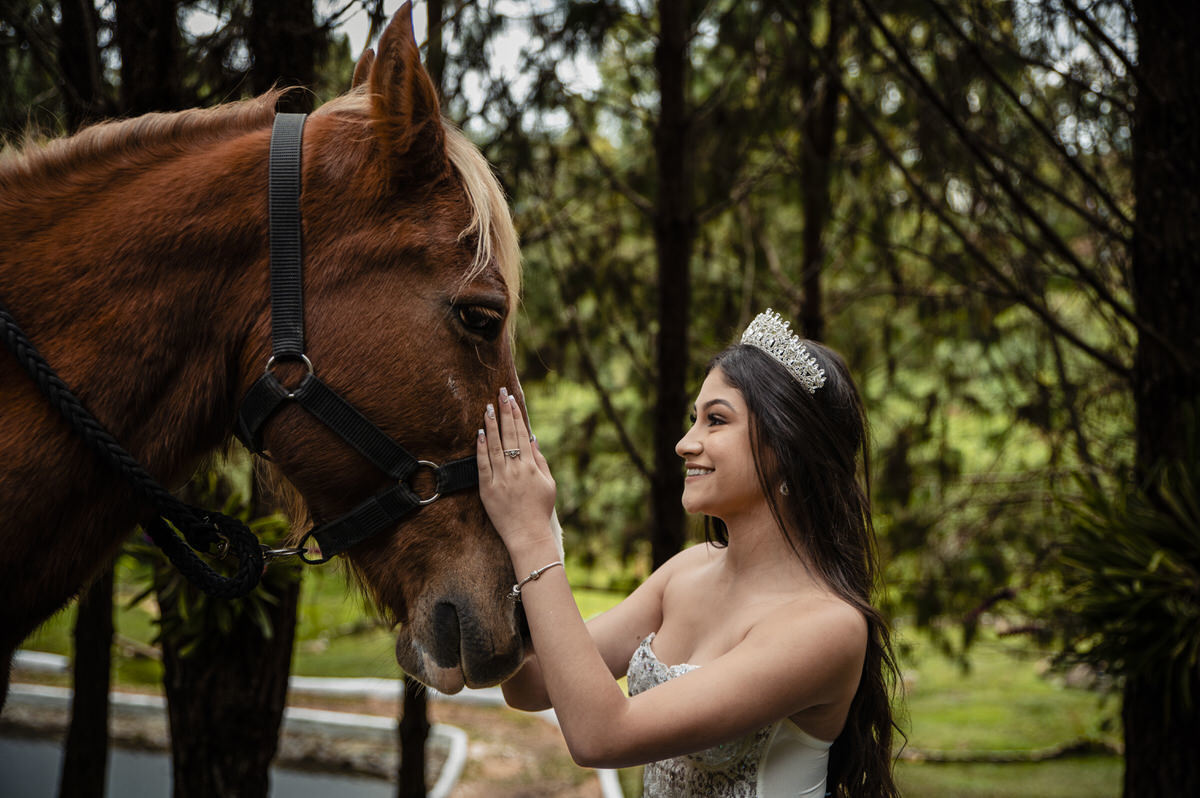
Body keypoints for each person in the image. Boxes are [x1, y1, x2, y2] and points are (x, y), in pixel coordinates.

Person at [476, 309, 901, 798]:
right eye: (692, 420)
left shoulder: (827, 627)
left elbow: (600, 735)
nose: (685, 443)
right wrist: (506, 522)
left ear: (789, 449)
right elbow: (529, 683)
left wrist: (532, 537)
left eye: (715, 420)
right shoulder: (687, 571)